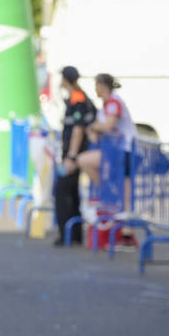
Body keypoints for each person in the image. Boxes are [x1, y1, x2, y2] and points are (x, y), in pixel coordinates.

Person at [50, 65, 96, 245]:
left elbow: (78, 129)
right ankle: (73, 235)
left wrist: (71, 156)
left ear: (66, 79)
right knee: (72, 192)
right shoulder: (75, 96)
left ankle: (67, 235)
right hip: (75, 154)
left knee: (62, 192)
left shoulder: (77, 97)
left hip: (75, 155)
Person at [76, 72, 137, 187]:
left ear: (101, 86)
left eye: (96, 86)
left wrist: (92, 128)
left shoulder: (114, 101)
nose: (95, 89)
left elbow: (108, 125)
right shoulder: (107, 103)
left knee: (83, 160)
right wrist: (93, 130)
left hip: (125, 149)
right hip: (115, 149)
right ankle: (107, 192)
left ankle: (107, 191)